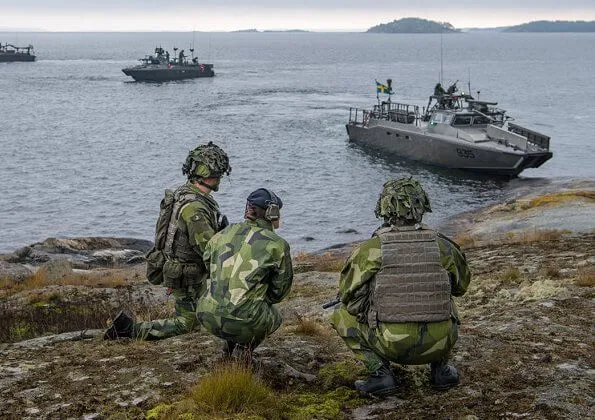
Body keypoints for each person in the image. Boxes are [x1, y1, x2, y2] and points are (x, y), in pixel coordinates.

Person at [329, 177, 471, 396]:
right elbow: (461, 287)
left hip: (391, 345)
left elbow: (347, 294)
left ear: (385, 207)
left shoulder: (372, 249)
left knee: (339, 313)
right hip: (440, 342)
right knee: (448, 302)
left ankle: (380, 374)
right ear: (422, 204)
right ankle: (440, 370)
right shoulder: (443, 246)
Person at [104, 142, 231, 340]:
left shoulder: (183, 193)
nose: (220, 178)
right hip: (186, 273)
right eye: (219, 174)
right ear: (210, 175)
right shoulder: (195, 208)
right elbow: (208, 249)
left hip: (181, 266)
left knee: (204, 314)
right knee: (186, 324)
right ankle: (127, 330)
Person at [196, 188, 293, 360]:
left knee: (235, 305)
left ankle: (228, 346)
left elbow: (207, 264)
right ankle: (243, 350)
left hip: (206, 315)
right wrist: (258, 296)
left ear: (247, 208)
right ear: (272, 212)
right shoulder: (277, 244)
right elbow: (279, 293)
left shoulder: (222, 234)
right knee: (274, 316)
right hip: (245, 321)